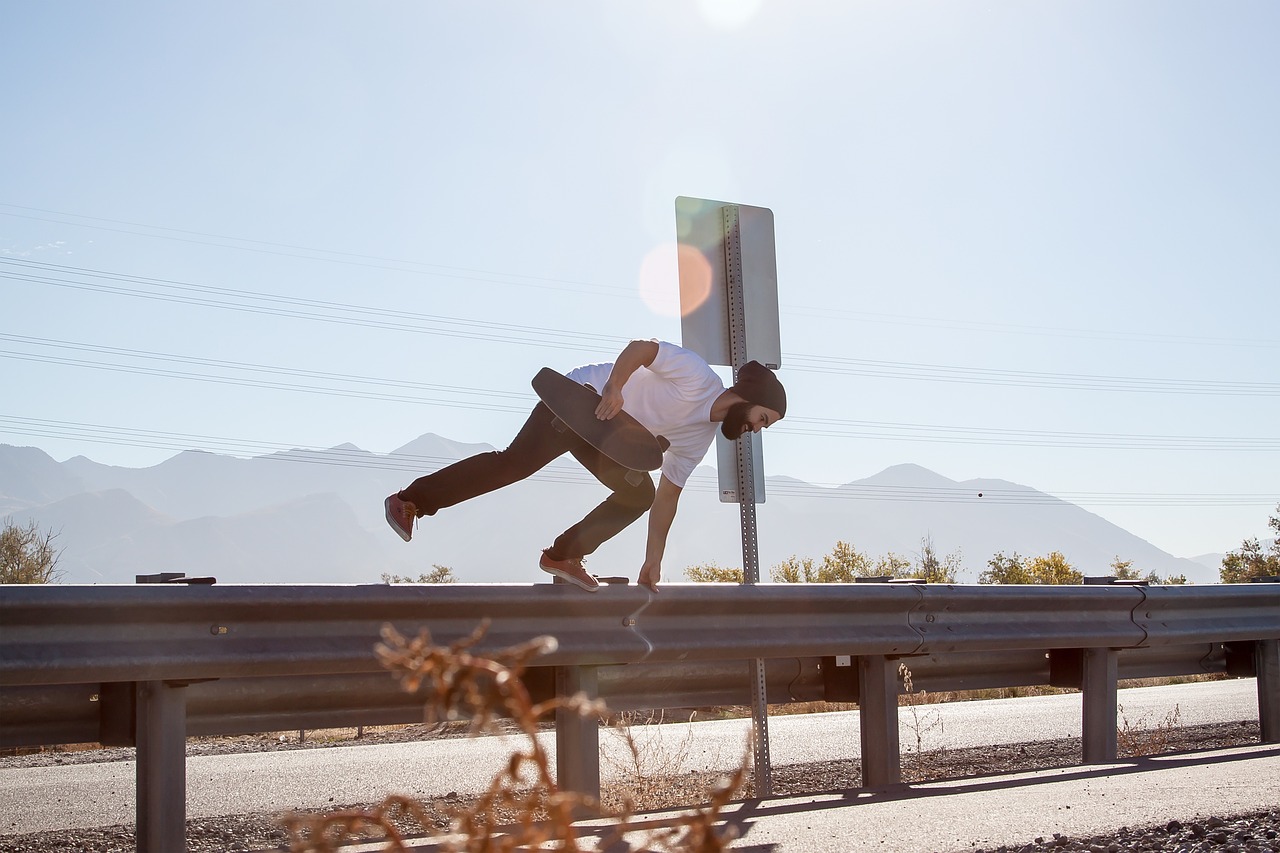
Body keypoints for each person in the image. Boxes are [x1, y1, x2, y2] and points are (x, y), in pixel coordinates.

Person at [383, 339, 786, 593]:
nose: (757, 429)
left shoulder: (699, 438)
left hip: (606, 438)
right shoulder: (697, 375)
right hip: (582, 400)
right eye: (763, 419)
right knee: (513, 465)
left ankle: (563, 556)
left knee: (640, 493)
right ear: (750, 396)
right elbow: (641, 349)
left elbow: (668, 498)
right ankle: (410, 500)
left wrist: (653, 559)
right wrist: (615, 386)